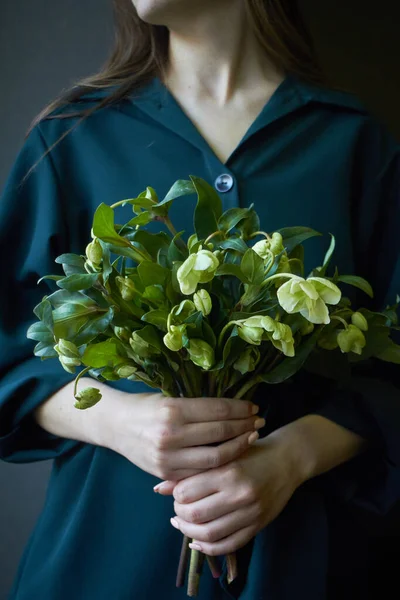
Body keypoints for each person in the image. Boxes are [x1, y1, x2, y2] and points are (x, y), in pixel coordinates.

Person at [1, 1, 399, 598]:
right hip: (103, 567)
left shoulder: (352, 143)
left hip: (309, 567)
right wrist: (117, 420)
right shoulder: (72, 136)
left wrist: (291, 458)